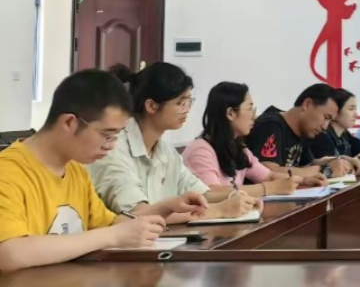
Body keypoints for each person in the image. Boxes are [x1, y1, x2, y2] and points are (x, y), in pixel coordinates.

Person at [0, 70, 206, 271]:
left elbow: (110, 224)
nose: (111, 145)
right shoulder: (8, 171)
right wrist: (113, 236)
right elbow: (8, 253)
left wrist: (167, 207)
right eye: (107, 135)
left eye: (116, 136)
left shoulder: (75, 170)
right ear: (70, 122)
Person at [88, 63, 258, 224]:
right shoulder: (114, 148)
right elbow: (137, 214)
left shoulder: (166, 151)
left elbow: (201, 193)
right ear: (151, 106)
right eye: (180, 103)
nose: (187, 109)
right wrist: (219, 210)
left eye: (189, 101)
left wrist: (238, 197)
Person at [183, 82, 313, 197]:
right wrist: (269, 188)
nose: (254, 115)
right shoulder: (201, 150)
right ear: (230, 113)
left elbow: (269, 176)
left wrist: (302, 180)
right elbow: (213, 192)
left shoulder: (238, 148)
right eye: (250, 108)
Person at [245, 83, 354, 179]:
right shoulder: (271, 125)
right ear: (307, 104)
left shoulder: (303, 130)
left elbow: (308, 165)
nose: (325, 127)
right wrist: (324, 170)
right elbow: (268, 172)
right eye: (326, 117)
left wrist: (340, 161)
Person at [308, 88, 360, 170]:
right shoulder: (321, 136)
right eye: (351, 109)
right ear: (335, 112)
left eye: (355, 109)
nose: (356, 115)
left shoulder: (344, 135)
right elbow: (329, 168)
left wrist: (358, 160)